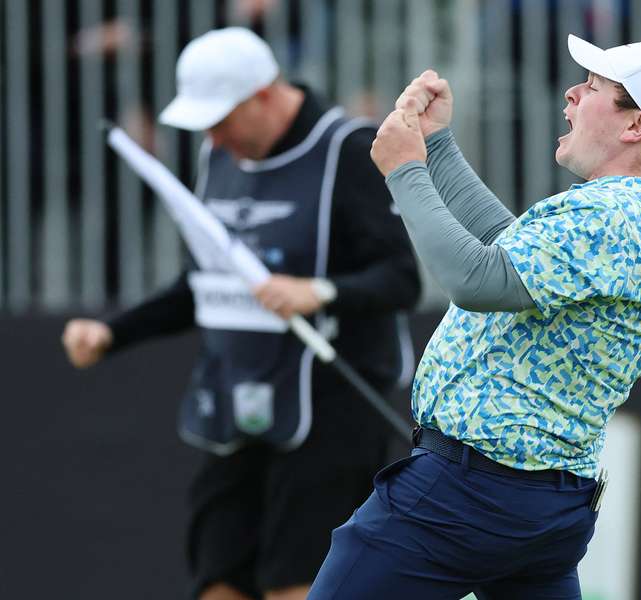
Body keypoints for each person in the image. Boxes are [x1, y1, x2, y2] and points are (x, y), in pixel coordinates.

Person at [307, 35, 641, 599]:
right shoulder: (630, 211)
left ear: (636, 125)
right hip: (538, 502)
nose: (571, 93)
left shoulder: (616, 214)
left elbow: (476, 279)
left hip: (467, 496)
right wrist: (438, 145)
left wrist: (405, 170)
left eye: (592, 88)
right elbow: (506, 247)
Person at [61, 27, 420, 600]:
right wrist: (112, 332)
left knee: (300, 583)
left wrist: (318, 292)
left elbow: (400, 278)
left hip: (331, 405)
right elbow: (206, 282)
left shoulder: (346, 149)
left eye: (221, 119)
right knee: (219, 579)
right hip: (239, 399)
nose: (213, 136)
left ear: (264, 94)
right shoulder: (217, 155)